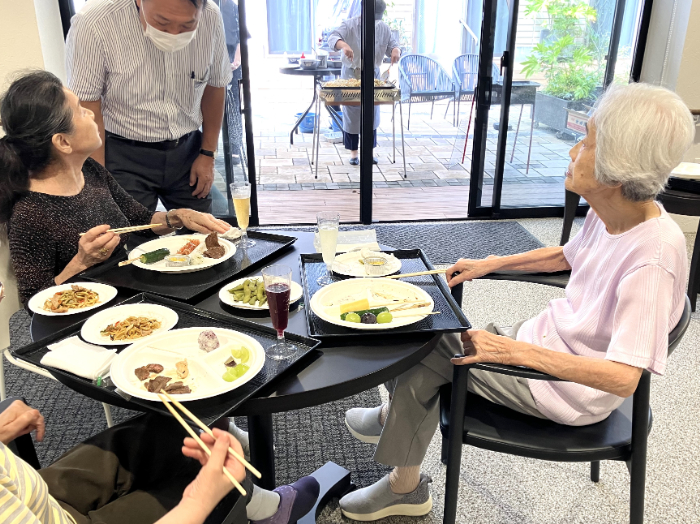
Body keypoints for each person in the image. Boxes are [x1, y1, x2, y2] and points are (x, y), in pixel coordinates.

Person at [337, 82, 695, 520]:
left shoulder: (653, 260)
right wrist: (490, 262)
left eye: (586, 143)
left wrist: (511, 351)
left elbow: (623, 379)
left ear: (615, 171)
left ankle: (404, 487)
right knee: (431, 331)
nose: (571, 151)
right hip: (543, 348)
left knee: (424, 342)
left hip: (565, 390)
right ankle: (395, 416)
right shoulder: (618, 214)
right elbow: (566, 254)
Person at [0, 71, 231, 304]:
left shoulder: (90, 170)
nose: (90, 113)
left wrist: (179, 216)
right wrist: (82, 262)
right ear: (63, 142)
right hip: (89, 318)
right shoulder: (29, 212)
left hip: (129, 293)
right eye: (80, 110)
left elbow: (140, 220)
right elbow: (33, 303)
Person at [0, 398, 320, 524]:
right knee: (209, 488)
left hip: (32, 491)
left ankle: (257, 503)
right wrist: (199, 499)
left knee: (170, 428)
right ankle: (264, 508)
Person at [65, 0, 232, 213]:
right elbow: (88, 105)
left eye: (187, 26)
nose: (173, 34)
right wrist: (100, 179)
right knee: (131, 240)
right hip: (124, 155)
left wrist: (208, 153)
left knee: (205, 237)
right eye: (162, 23)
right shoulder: (94, 22)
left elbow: (215, 85)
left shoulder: (211, 15)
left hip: (187, 150)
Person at [328, 0, 401, 165]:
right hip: (351, 76)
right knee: (352, 114)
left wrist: (396, 50)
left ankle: (369, 152)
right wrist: (344, 45)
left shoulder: (383, 27)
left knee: (372, 113)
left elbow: (393, 45)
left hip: (374, 76)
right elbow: (332, 37)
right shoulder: (350, 25)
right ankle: (354, 154)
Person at [219, 0, 248, 166]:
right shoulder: (202, 6)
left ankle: (235, 149)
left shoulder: (232, 7)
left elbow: (241, 37)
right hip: (210, 61)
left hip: (232, 60)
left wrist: (236, 60)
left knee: (233, 105)